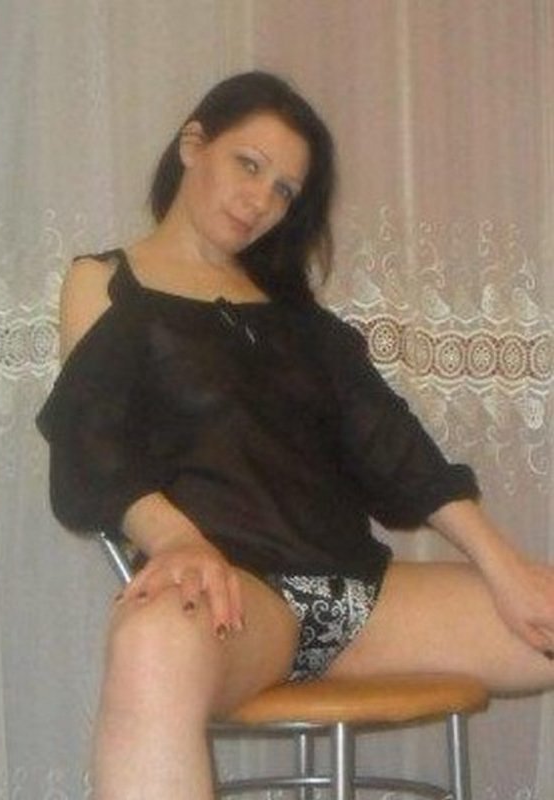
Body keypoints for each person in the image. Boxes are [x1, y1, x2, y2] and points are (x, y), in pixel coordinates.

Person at [37, 71, 554, 800]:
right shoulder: (108, 284)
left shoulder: (300, 318)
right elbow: (92, 442)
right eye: (248, 165)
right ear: (193, 144)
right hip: (235, 602)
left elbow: (395, 449)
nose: (260, 200)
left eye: (283, 190)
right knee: (149, 643)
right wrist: (178, 540)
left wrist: (505, 568)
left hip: (362, 599)